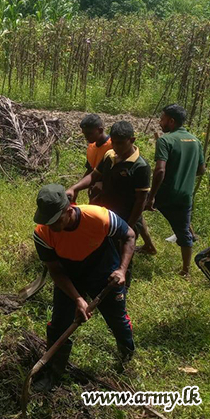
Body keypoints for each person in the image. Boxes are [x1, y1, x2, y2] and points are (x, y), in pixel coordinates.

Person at [32, 184, 136, 392]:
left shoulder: (99, 217)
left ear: (69, 210)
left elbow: (129, 235)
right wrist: (78, 299)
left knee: (118, 319)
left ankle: (127, 359)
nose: (51, 227)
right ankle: (54, 371)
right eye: (47, 222)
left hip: (104, 271)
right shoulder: (43, 233)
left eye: (56, 221)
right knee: (58, 325)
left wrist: (122, 270)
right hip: (70, 274)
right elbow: (56, 271)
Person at [66, 121, 156, 274]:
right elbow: (94, 175)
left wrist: (129, 225)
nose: (116, 146)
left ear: (132, 140)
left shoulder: (140, 167)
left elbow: (141, 200)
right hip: (106, 213)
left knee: (123, 255)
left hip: (126, 217)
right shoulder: (109, 156)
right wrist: (75, 187)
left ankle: (122, 286)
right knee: (103, 249)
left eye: (121, 143)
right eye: (113, 142)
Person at [145, 104, 206, 276]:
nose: (160, 121)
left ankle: (138, 246)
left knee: (133, 212)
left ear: (171, 121)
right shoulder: (196, 141)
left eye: (162, 118)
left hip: (165, 193)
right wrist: (184, 174)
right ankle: (186, 271)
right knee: (184, 232)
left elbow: (160, 170)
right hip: (185, 195)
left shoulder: (165, 140)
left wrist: (152, 197)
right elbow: (201, 170)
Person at [79, 114, 112, 203]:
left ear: (100, 130)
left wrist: (103, 184)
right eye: (84, 134)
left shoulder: (113, 146)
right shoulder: (91, 147)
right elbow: (90, 169)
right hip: (94, 190)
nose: (86, 137)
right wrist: (78, 187)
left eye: (89, 134)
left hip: (110, 192)